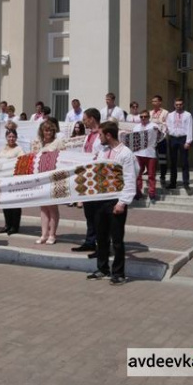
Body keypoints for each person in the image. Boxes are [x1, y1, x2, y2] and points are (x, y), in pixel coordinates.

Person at [86, 122, 137, 285]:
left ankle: (119, 273)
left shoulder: (125, 153)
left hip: (116, 201)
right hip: (100, 200)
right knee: (101, 238)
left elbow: (130, 178)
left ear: (108, 135)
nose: (98, 138)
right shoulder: (102, 150)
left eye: (100, 135)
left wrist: (123, 202)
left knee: (116, 239)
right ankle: (102, 268)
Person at [71, 108, 104, 255]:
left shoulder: (103, 134)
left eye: (85, 119)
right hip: (87, 177)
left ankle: (101, 243)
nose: (84, 121)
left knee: (99, 213)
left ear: (92, 119)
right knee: (89, 212)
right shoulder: (88, 135)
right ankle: (90, 241)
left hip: (99, 177)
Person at [33, 121, 64, 244]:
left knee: (52, 207)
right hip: (41, 179)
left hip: (53, 178)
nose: (48, 133)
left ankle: (52, 234)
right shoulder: (39, 144)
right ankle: (44, 234)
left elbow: (63, 158)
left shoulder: (58, 142)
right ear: (42, 131)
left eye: (51, 130)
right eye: (46, 130)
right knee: (43, 207)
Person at [0, 129, 24, 235]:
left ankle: (15, 226)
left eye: (13, 137)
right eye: (9, 137)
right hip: (3, 179)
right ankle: (7, 224)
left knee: (15, 203)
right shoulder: (2, 148)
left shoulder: (19, 149)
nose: (11, 139)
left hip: (14, 179)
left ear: (16, 138)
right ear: (6, 137)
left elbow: (22, 160)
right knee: (5, 202)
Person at [133, 110, 161, 202]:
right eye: (141, 117)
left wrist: (158, 132)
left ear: (149, 117)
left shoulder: (154, 126)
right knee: (138, 174)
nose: (143, 118)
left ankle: (152, 192)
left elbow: (160, 137)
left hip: (150, 153)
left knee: (151, 175)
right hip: (138, 153)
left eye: (145, 116)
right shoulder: (136, 127)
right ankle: (138, 192)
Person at [166, 98, 193, 191]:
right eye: (177, 104)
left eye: (180, 104)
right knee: (173, 162)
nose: (178, 106)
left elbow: (190, 128)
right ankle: (173, 183)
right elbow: (168, 126)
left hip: (183, 139)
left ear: (183, 105)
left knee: (184, 162)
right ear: (174, 105)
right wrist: (170, 132)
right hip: (173, 139)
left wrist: (188, 142)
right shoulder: (170, 115)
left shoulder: (187, 115)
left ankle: (186, 183)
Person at [150, 95, 169, 185]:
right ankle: (152, 175)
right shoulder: (150, 113)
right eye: (152, 101)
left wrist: (159, 124)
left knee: (162, 159)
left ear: (160, 102)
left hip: (161, 139)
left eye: (155, 101)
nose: (153, 103)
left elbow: (167, 125)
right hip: (152, 140)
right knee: (152, 158)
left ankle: (163, 176)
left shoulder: (165, 113)